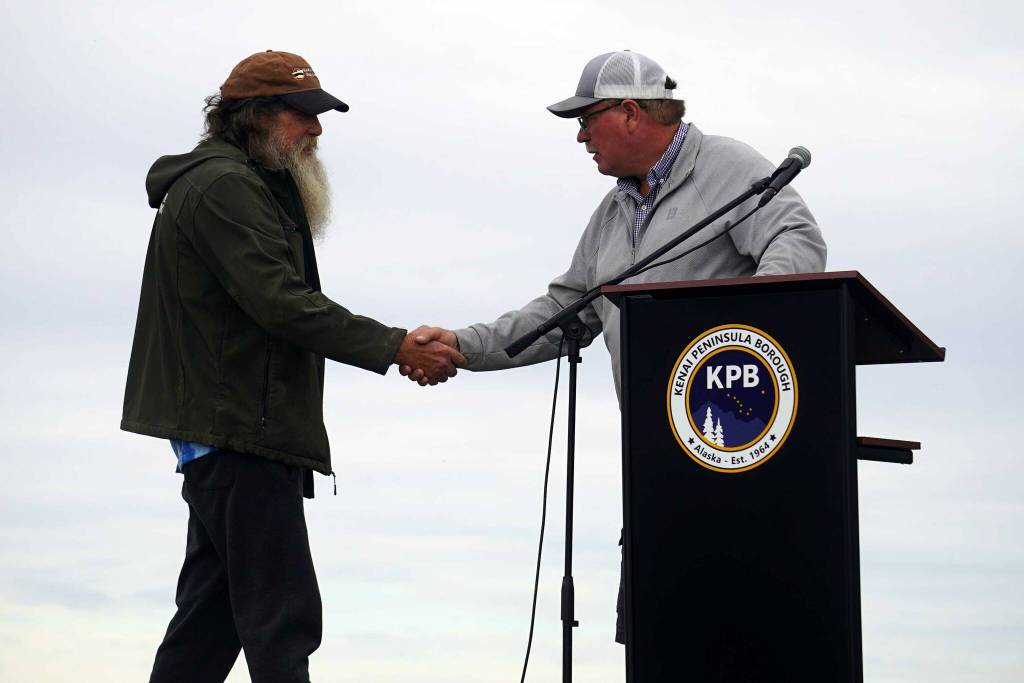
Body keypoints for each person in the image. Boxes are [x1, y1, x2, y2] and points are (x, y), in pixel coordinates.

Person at [401, 51, 827, 642]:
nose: (580, 137)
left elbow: (796, 242)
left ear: (630, 112)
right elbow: (563, 312)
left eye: (586, 119)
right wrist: (462, 345)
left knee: (742, 646)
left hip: (741, 461)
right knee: (658, 643)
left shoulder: (729, 168)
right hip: (658, 470)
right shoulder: (612, 212)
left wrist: (743, 341)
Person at [121, 50, 463, 683]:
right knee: (282, 617)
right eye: (302, 113)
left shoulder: (235, 182)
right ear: (254, 115)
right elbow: (281, 302)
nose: (316, 128)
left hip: (230, 433)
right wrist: (395, 346)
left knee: (210, 623)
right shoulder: (224, 187)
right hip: (239, 434)